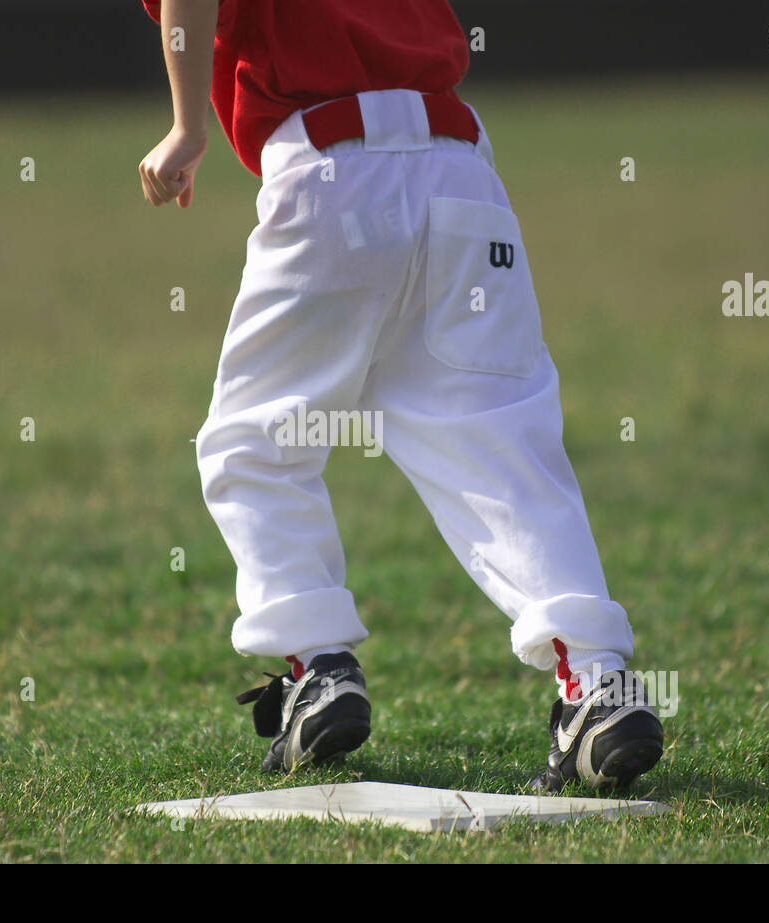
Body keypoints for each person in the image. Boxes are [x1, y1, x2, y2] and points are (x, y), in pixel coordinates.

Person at [138, 0, 663, 791]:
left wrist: (187, 124)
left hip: (329, 169)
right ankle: (595, 684)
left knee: (254, 444)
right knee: (500, 444)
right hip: (459, 162)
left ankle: (318, 668)